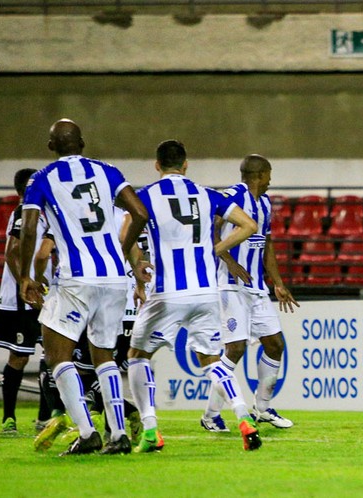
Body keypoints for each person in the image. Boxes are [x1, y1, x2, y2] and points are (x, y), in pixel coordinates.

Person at [19, 118, 150, 456]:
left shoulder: (42, 179)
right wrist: (122, 251)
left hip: (77, 277)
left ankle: (88, 432)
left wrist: (25, 276)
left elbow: (30, 227)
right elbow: (139, 212)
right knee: (104, 355)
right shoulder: (107, 171)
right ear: (83, 143)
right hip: (113, 276)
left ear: (51, 147)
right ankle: (118, 435)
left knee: (55, 353)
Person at [126, 140, 262, 452]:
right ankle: (243, 416)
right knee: (211, 359)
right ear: (186, 165)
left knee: (137, 356)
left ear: (157, 166)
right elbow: (249, 225)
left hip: (167, 292)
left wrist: (137, 266)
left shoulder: (145, 196)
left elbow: (124, 236)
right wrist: (215, 250)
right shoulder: (207, 194)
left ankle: (149, 429)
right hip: (205, 291)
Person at [201, 154, 299, 432]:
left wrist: (278, 283)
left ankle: (263, 408)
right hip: (230, 286)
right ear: (259, 175)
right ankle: (210, 416)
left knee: (275, 345)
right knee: (235, 349)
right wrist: (230, 261)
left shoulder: (265, 204)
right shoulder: (232, 196)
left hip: (256, 288)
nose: (271, 180)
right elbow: (210, 230)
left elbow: (266, 246)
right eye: (269, 174)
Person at [0, 168, 55, 434]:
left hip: (44, 294)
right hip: (23, 297)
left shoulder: (44, 213)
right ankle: (9, 419)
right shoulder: (23, 212)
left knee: (52, 355)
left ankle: (44, 418)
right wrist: (25, 282)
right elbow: (11, 252)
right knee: (20, 356)